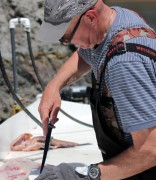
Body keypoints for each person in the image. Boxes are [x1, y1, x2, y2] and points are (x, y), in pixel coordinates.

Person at [37, 0, 156, 179]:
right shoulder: (118, 19)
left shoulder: (124, 63)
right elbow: (86, 54)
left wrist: (87, 175)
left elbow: (151, 150)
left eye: (66, 37)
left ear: (91, 16)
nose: (67, 43)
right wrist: (54, 87)